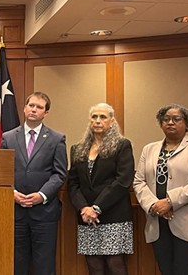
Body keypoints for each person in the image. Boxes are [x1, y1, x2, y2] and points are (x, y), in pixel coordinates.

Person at [133, 104, 188, 275]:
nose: (170, 122)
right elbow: (139, 181)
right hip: (158, 223)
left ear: (187, 124)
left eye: (176, 119)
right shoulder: (149, 149)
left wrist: (170, 201)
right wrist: (155, 205)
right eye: (166, 119)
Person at [1, 91, 67, 275]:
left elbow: (59, 174)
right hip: (15, 212)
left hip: (44, 214)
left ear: (46, 113)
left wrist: (42, 195)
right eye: (31, 105)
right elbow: (1, 172)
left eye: (39, 107)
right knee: (16, 264)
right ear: (24, 108)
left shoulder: (56, 138)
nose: (34, 110)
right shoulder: (8, 137)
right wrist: (12, 194)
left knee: (44, 266)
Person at [67, 103, 134, 275]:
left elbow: (123, 181)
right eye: (94, 117)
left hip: (113, 213)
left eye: (103, 117)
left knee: (114, 264)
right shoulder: (78, 148)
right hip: (86, 216)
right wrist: (84, 208)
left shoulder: (122, 145)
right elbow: (73, 183)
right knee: (93, 265)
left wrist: (97, 208)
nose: (98, 121)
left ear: (112, 121)